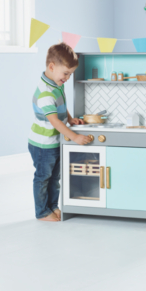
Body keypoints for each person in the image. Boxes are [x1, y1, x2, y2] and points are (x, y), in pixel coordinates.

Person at [28, 42, 91, 222]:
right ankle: (42, 212)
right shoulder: (45, 93)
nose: (67, 78)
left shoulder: (56, 83)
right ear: (51, 66)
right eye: (66, 73)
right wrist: (74, 136)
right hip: (42, 145)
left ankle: (53, 206)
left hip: (54, 142)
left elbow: (60, 106)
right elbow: (54, 120)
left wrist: (70, 119)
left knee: (55, 178)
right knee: (43, 178)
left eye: (70, 74)